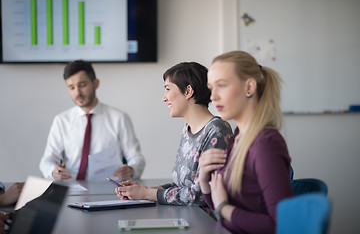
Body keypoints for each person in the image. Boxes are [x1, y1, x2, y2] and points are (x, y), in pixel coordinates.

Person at [199, 51, 293, 233]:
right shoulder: (237, 137)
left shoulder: (265, 143)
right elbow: (220, 211)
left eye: (222, 85)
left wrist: (224, 207)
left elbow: (282, 225)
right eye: (211, 88)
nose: (213, 96)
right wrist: (204, 180)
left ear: (249, 87)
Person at [115, 62, 233, 206]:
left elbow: (200, 194)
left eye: (168, 89)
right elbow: (182, 186)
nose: (164, 98)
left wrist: (148, 194)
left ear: (188, 91)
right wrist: (144, 190)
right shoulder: (187, 129)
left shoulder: (217, 130)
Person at [39, 60, 145, 181]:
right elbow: (47, 160)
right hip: (72, 188)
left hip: (109, 189)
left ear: (96, 83)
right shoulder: (61, 121)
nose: (77, 93)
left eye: (82, 85)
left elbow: (136, 157)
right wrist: (53, 171)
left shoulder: (119, 118)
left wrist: (131, 170)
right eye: (71, 87)